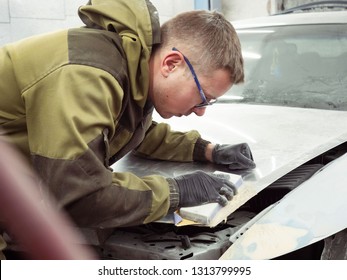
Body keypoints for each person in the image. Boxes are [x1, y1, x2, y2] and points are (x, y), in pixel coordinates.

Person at [0, 0, 255, 230]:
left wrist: (208, 150)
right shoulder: (89, 75)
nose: (200, 111)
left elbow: (131, 131)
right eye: (203, 97)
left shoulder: (131, 71)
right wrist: (176, 191)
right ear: (171, 64)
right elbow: (78, 197)